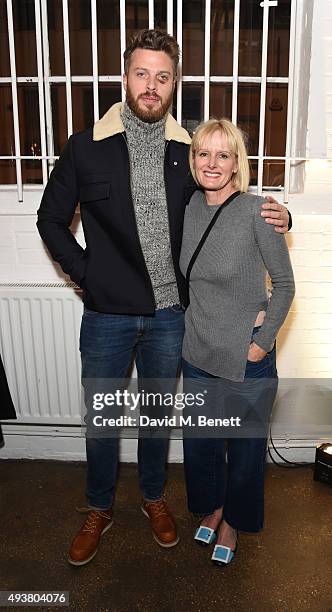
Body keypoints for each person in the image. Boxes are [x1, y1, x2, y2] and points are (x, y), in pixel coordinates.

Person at [36, 29, 291, 567]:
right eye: (141, 73)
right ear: (125, 77)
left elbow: (228, 198)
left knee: (157, 421)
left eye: (163, 76)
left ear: (174, 84)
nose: (151, 86)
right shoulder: (85, 147)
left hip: (174, 319)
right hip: (106, 317)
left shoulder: (185, 152)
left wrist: (282, 216)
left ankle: (154, 499)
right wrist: (87, 276)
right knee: (103, 419)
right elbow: (51, 221)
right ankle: (98, 507)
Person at [179, 118, 295, 565]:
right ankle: (214, 507)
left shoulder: (257, 211)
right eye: (202, 153)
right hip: (199, 351)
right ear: (193, 160)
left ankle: (234, 521)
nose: (212, 163)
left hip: (247, 356)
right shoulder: (190, 206)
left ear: (236, 164)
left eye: (222, 155)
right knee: (203, 444)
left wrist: (262, 343)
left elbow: (284, 285)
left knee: (245, 450)